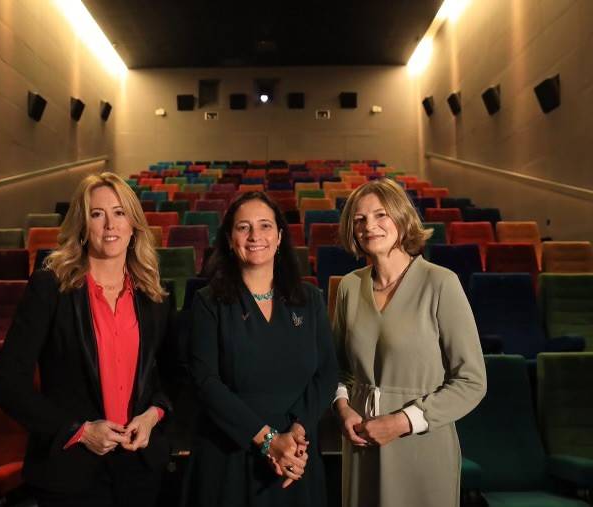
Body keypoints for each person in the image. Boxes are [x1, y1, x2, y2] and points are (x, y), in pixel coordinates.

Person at [0, 172, 176, 507]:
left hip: (139, 469)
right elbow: (7, 384)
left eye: (120, 213)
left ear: (134, 224)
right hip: (70, 472)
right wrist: (79, 430)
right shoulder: (49, 288)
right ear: (81, 225)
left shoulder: (155, 296)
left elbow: (171, 379)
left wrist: (152, 416)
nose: (110, 225)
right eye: (97, 214)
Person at [333, 178, 486, 507]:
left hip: (420, 442)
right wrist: (343, 409)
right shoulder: (347, 286)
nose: (369, 226)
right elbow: (339, 369)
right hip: (361, 443)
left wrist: (402, 422)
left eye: (380, 215)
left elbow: (472, 381)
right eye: (359, 219)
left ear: (402, 219)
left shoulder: (440, 282)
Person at [183, 191, 338, 507]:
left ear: (280, 237)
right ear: (229, 239)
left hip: (297, 455)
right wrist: (268, 440)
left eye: (265, 226)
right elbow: (205, 382)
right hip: (229, 455)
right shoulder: (207, 302)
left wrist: (296, 433)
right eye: (243, 227)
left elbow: (326, 373)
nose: (255, 236)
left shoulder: (309, 299)